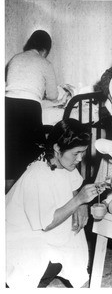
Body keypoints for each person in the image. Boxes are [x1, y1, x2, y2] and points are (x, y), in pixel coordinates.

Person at [5, 118, 106, 288]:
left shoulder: (62, 164)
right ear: (57, 148)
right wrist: (79, 200)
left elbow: (74, 185)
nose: (80, 159)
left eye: (83, 152)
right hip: (20, 234)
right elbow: (47, 223)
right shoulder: (37, 174)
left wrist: (82, 205)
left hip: (46, 225)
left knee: (74, 242)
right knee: (38, 264)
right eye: (76, 153)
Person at [5, 30, 63, 192]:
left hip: (7, 105)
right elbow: (53, 95)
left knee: (10, 155)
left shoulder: (15, 58)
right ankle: (27, 193)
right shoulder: (44, 62)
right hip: (29, 108)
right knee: (31, 154)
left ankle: (8, 201)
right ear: (45, 51)